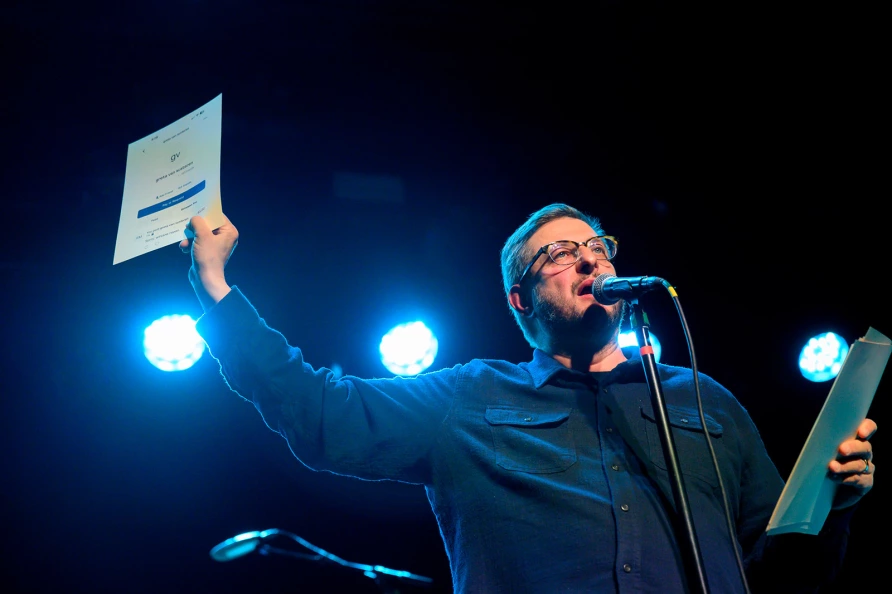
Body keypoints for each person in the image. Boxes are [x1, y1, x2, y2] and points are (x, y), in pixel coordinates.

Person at [180, 203, 876, 593]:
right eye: (559, 254)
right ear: (521, 300)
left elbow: (787, 574)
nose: (588, 260)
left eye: (597, 247)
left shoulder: (705, 402)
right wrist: (215, 287)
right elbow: (322, 414)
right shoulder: (472, 397)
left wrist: (835, 505)